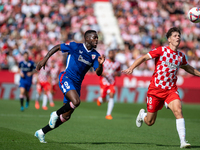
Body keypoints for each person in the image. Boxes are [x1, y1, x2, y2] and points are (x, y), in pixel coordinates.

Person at [122, 27, 200, 148]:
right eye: (175, 35)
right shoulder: (161, 50)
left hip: (170, 90)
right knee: (150, 122)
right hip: (155, 90)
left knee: (178, 110)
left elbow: (189, 68)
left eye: (179, 35)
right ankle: (142, 115)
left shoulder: (181, 56)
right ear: (169, 39)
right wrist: (132, 67)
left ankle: (183, 141)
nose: (178, 37)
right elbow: (143, 58)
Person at [34, 30, 105, 143]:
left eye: (97, 38)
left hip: (77, 85)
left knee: (66, 116)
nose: (96, 39)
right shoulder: (75, 46)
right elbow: (57, 47)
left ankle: (41, 132)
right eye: (94, 38)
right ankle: (55, 113)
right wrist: (45, 59)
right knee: (76, 101)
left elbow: (98, 73)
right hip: (66, 78)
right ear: (87, 39)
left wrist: (100, 65)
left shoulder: (95, 55)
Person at [97, 50, 121, 120]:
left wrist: (115, 73)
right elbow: (98, 70)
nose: (111, 55)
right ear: (108, 54)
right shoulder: (105, 62)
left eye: (112, 53)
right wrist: (103, 73)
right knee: (104, 99)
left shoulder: (117, 63)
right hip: (103, 82)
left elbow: (119, 73)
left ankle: (108, 114)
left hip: (112, 82)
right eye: (110, 53)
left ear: (114, 54)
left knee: (111, 95)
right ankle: (100, 99)